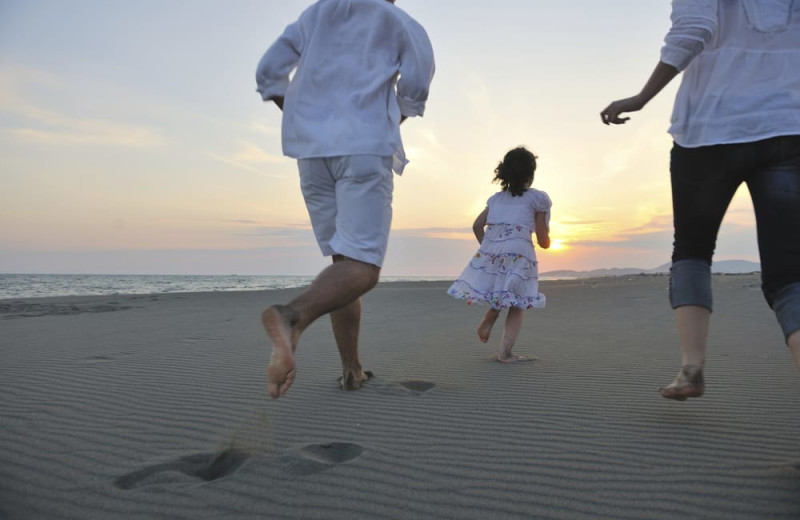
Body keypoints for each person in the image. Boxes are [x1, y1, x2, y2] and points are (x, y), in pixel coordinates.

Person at [600, 0, 800, 400]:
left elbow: (693, 30)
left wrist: (641, 97)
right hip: (787, 127)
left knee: (692, 251)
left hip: (709, 128)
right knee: (790, 274)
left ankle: (691, 369)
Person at [255, 0, 435, 399]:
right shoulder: (397, 20)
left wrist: (308, 120)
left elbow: (268, 72)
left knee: (342, 264)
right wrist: (381, 120)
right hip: (362, 150)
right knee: (362, 267)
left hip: (312, 156)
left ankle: (351, 370)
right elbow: (417, 83)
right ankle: (291, 317)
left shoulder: (315, 15)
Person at [447, 146, 552, 363]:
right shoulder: (538, 198)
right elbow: (542, 240)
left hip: (493, 251)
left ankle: (492, 314)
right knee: (519, 302)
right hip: (521, 252)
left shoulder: (495, 199)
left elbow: (477, 226)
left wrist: (489, 250)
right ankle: (505, 352)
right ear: (530, 175)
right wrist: (546, 240)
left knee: (506, 291)